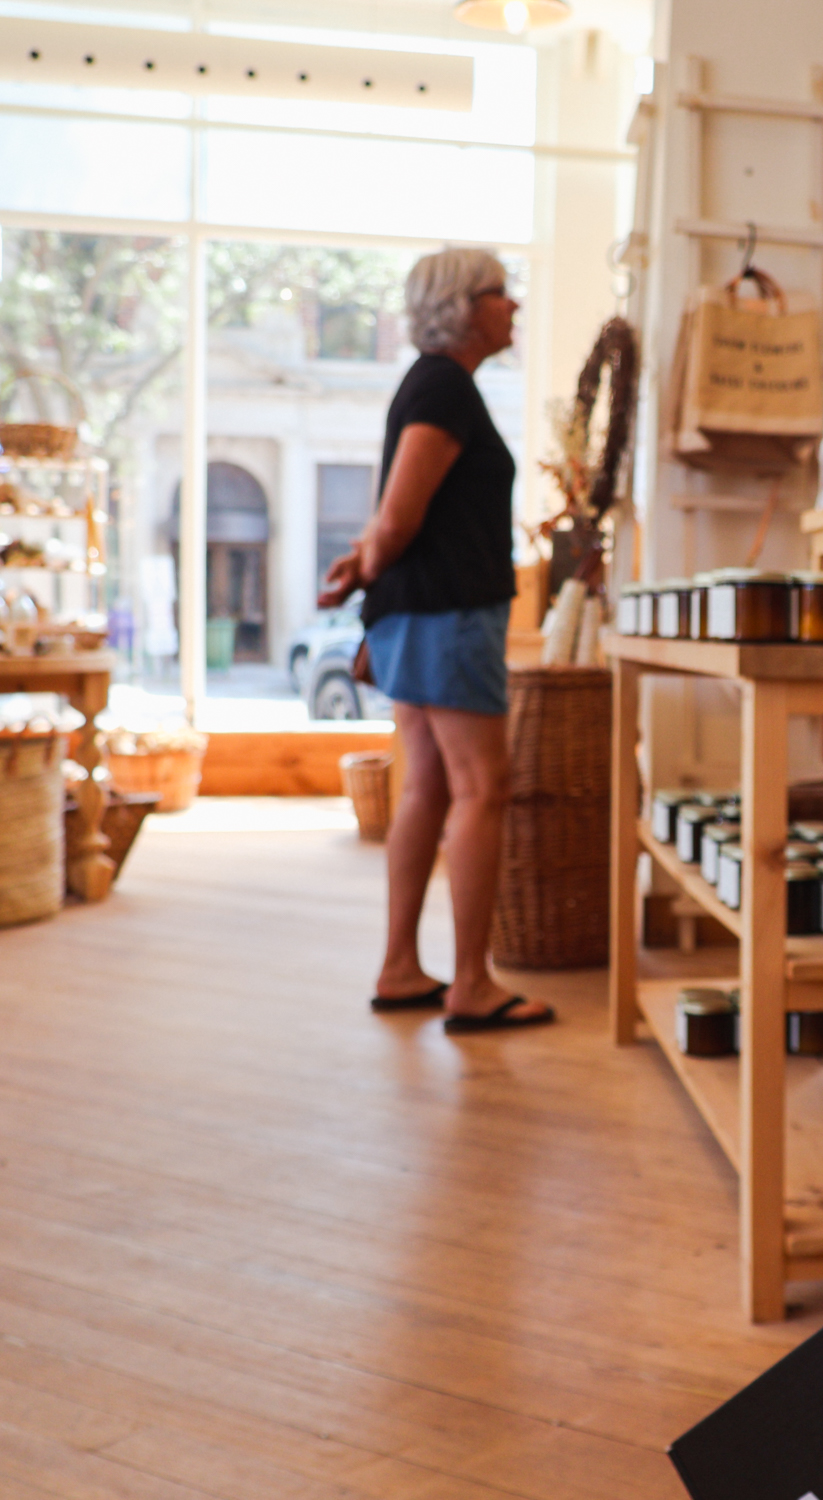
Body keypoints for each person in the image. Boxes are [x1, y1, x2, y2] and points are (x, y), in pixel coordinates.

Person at [319, 248, 555, 1034]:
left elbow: (396, 518)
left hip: (421, 613)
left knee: (425, 785)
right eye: (500, 293)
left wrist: (364, 566)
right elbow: (400, 516)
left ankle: (400, 968)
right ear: (463, 306)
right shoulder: (445, 386)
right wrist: (368, 562)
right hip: (450, 615)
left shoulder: (435, 385)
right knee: (481, 788)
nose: (513, 305)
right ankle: (474, 985)